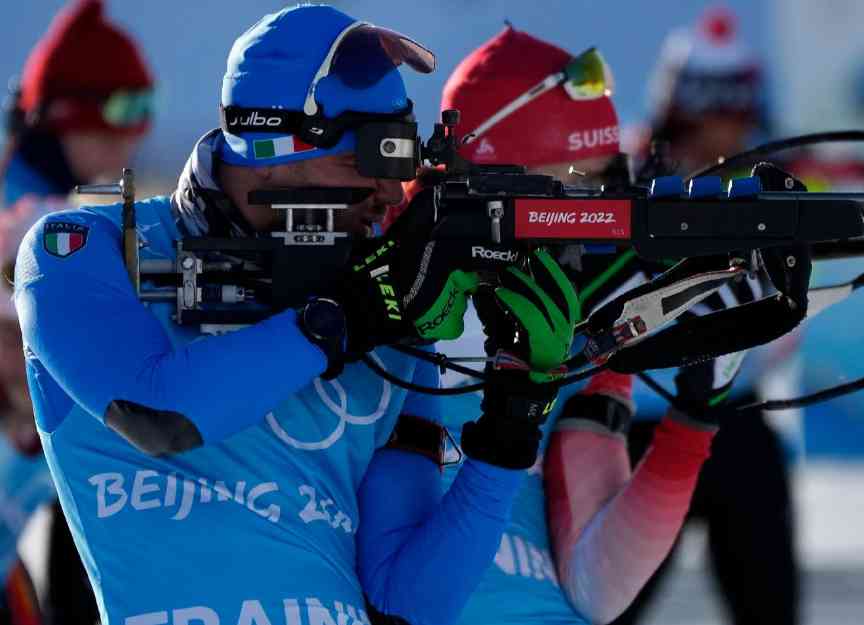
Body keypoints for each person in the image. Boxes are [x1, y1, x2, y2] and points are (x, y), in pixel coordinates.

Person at [13, 6, 578, 625]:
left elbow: (410, 600)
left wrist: (513, 417)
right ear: (267, 144)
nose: (392, 193)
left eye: (401, 161)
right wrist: (355, 310)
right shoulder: (84, 248)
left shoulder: (384, 296)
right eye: (367, 158)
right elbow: (159, 414)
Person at [430, 26, 739, 625]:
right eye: (573, 189)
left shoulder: (583, 327)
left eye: (604, 185)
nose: (594, 217)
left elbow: (602, 589)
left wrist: (697, 411)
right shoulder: (387, 304)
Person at [619, 8, 801, 625]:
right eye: (706, 114)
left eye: (735, 116)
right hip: (633, 429)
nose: (721, 135)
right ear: (676, 108)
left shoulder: (776, 186)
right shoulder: (617, 178)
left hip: (734, 420)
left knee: (769, 604)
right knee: (602, 607)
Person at [0, 1, 155, 623]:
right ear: (67, 117)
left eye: (147, 111)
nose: (136, 133)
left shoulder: (48, 205)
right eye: (123, 113)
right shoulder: (34, 221)